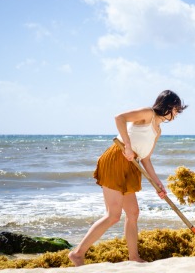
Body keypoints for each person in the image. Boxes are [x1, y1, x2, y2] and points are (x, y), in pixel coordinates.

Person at [68, 90, 187, 266]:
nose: (177, 113)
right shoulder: (148, 113)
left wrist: (158, 184)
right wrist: (128, 146)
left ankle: (133, 257)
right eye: (176, 109)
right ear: (168, 106)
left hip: (132, 165)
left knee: (133, 213)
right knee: (113, 215)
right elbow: (119, 118)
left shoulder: (158, 130)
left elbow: (146, 159)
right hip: (117, 157)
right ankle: (78, 253)